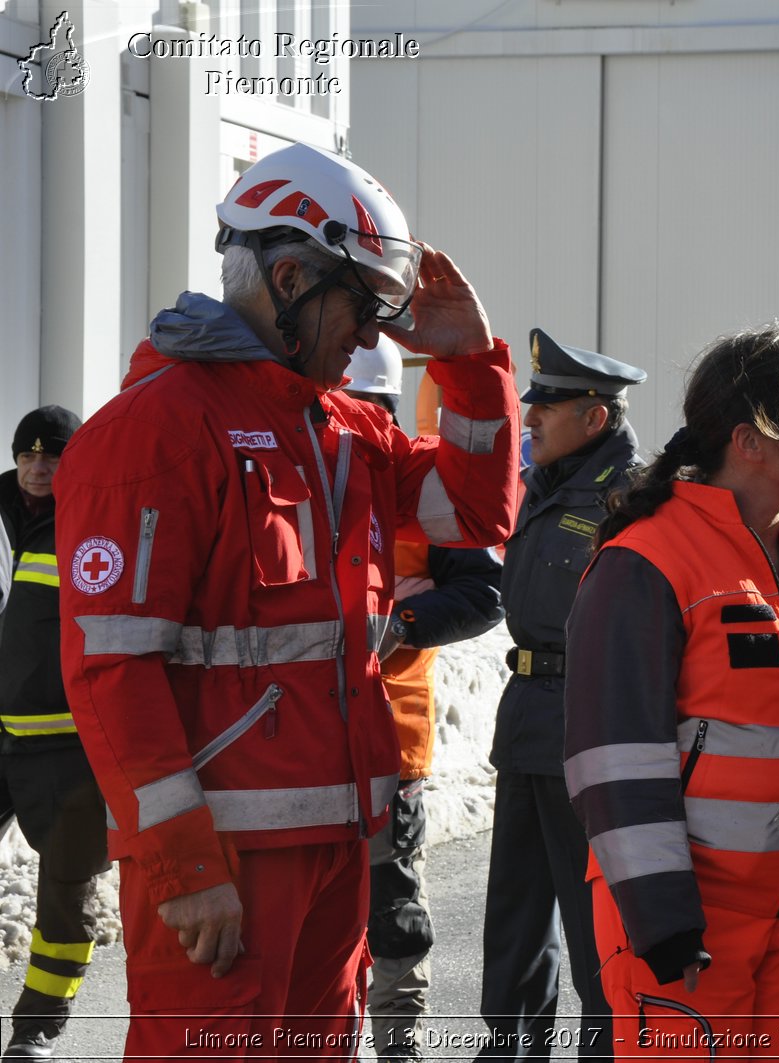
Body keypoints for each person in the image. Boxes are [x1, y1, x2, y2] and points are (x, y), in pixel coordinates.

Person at [54, 141, 519, 1059]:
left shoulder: (342, 430)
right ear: (292, 274)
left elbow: (473, 506)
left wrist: (467, 362)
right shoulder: (154, 431)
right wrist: (184, 864)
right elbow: (114, 672)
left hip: (335, 853)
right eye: (363, 303)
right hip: (221, 865)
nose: (376, 337)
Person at [563, 325, 779, 1060]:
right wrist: (662, 918)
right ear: (749, 440)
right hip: (691, 932)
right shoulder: (646, 563)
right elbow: (614, 763)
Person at [479, 328, 645, 1061]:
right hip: (526, 726)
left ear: (596, 418)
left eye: (549, 405)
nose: (531, 417)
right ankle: (509, 1049)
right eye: (531, 404)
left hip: (587, 733)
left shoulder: (632, 497)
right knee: (513, 918)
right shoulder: (540, 486)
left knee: (593, 929)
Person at [344, 337, 507, 1062]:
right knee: (312, 914)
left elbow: (483, 592)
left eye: (367, 408)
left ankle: (398, 1044)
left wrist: (403, 621)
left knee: (391, 904)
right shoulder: (294, 473)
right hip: (299, 750)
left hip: (392, 741)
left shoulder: (418, 483)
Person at [0, 406, 111, 1060]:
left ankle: (35, 1031)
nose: (39, 467)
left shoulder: (96, 524)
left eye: (54, 455)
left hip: (69, 749)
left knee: (67, 895)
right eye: (28, 453)